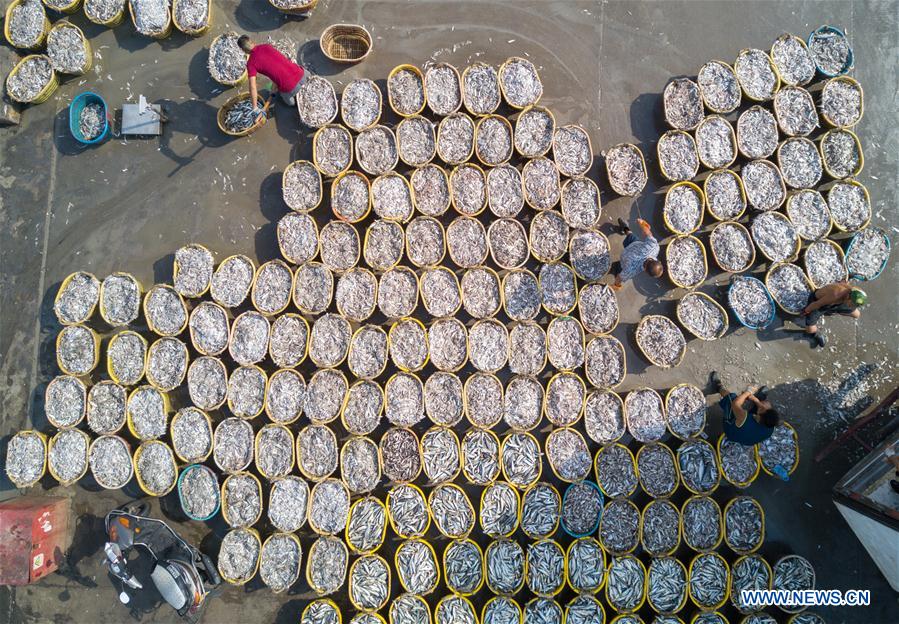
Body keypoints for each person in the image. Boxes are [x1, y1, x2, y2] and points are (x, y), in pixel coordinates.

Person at [708, 371, 780, 446]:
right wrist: (755, 400)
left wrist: (748, 392)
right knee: (766, 404)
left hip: (730, 432)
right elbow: (764, 409)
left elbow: (735, 404)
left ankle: (717, 386)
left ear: (759, 416)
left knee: (731, 398)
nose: (762, 407)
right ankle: (759, 399)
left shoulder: (744, 418)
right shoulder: (770, 428)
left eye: (762, 409)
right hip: (745, 437)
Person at [237, 35, 306, 113]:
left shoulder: (251, 64)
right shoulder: (266, 46)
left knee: (291, 103)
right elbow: (277, 66)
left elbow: (252, 86)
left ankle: (297, 97)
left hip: (289, 87)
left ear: (243, 50)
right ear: (252, 41)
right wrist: (274, 87)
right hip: (302, 73)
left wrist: (254, 107)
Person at [801, 282, 866, 348]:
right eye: (852, 304)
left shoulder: (853, 291)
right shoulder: (836, 295)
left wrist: (840, 309)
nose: (852, 306)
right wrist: (806, 310)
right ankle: (816, 334)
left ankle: (832, 311)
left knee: (857, 314)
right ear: (848, 297)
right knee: (810, 329)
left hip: (837, 303)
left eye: (855, 305)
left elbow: (843, 283)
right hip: (820, 304)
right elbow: (817, 304)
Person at [612, 217, 663, 290]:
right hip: (624, 258)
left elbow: (648, 233)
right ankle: (625, 228)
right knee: (619, 268)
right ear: (645, 270)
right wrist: (617, 285)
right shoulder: (631, 271)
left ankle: (625, 228)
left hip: (634, 244)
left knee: (629, 234)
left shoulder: (654, 247)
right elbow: (619, 277)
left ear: (658, 261)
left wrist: (642, 223)